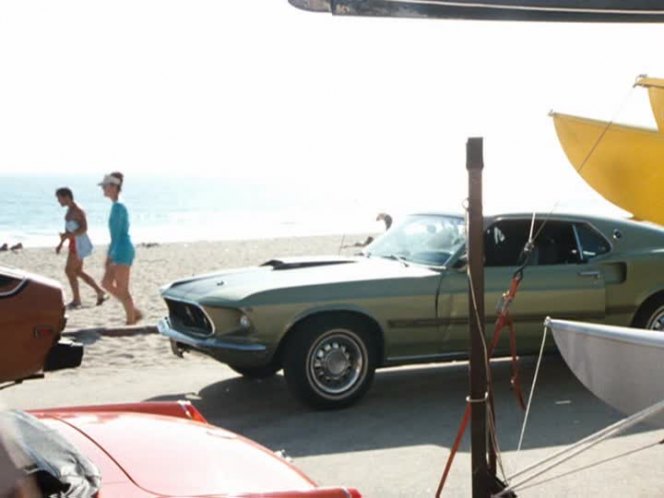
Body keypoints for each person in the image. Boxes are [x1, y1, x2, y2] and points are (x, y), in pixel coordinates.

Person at [98, 172, 142, 325]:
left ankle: (131, 320)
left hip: (122, 249)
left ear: (113, 186)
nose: (103, 189)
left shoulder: (118, 207)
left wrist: (110, 255)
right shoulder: (116, 206)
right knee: (106, 283)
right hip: (118, 248)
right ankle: (134, 312)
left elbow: (117, 234)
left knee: (122, 288)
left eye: (105, 186)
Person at [55, 187, 107, 309]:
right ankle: (99, 292)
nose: (58, 201)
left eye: (59, 198)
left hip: (79, 244)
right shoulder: (69, 210)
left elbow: (84, 229)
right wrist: (61, 244)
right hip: (72, 243)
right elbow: (68, 231)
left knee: (69, 271)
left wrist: (69, 236)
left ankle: (77, 300)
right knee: (77, 271)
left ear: (66, 197)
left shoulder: (78, 210)